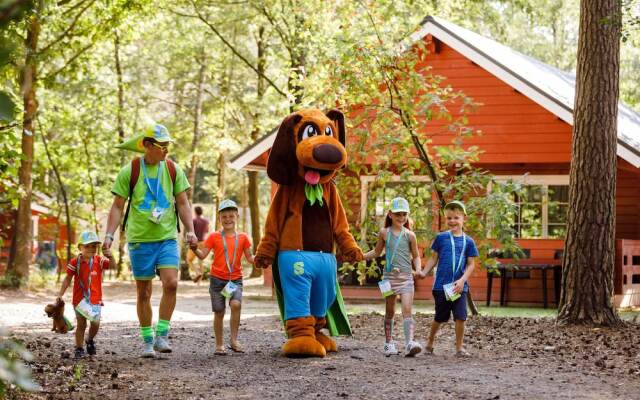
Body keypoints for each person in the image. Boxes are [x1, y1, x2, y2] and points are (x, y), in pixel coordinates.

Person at [102, 124, 198, 358]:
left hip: (166, 237)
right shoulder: (130, 171)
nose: (165, 151)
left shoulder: (173, 170)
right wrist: (109, 235)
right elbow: (117, 206)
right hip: (139, 240)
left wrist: (191, 230)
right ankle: (147, 340)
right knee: (143, 292)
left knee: (171, 283)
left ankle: (162, 335)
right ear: (146, 145)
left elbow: (183, 203)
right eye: (161, 146)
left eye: (167, 146)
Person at [364, 197, 423, 357]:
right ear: (390, 214)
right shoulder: (384, 233)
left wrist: (418, 269)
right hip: (389, 278)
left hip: (406, 278)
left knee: (407, 310)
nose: (401, 217)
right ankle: (389, 343)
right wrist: (361, 256)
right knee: (389, 311)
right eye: (398, 214)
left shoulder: (410, 235)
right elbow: (377, 252)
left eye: (404, 214)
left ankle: (409, 343)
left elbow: (416, 256)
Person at [418, 200, 479, 357]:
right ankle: (430, 343)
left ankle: (459, 348)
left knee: (461, 317)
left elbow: (471, 264)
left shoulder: (469, 242)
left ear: (463, 218)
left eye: (456, 218)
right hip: (441, 286)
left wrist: (462, 280)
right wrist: (424, 272)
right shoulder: (441, 238)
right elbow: (433, 259)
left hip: (459, 287)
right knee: (440, 317)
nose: (452, 221)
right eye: (449, 218)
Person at [193, 199, 254, 355]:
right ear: (219, 218)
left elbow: (250, 258)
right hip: (217, 280)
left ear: (237, 217)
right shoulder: (213, 237)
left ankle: (234, 341)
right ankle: (219, 345)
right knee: (219, 312)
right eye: (224, 216)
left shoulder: (243, 238)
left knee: (235, 304)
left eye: (231, 216)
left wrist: (264, 258)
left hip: (235, 280)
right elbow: (202, 255)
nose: (228, 219)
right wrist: (194, 248)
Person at [57, 231, 115, 358]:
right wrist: (60, 294)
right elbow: (67, 278)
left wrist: (110, 256)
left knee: (95, 323)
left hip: (95, 300)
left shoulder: (99, 261)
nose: (91, 249)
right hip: (80, 300)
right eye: (87, 246)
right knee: (81, 324)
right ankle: (78, 348)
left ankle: (89, 340)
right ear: (80, 247)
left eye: (94, 246)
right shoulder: (75, 262)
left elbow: (112, 266)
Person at [187, 206, 210, 284]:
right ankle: (199, 282)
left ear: (195, 212)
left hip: (195, 243)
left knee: (189, 260)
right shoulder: (206, 221)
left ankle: (197, 272)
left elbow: (191, 231)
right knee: (200, 261)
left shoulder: (194, 220)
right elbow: (207, 231)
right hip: (203, 242)